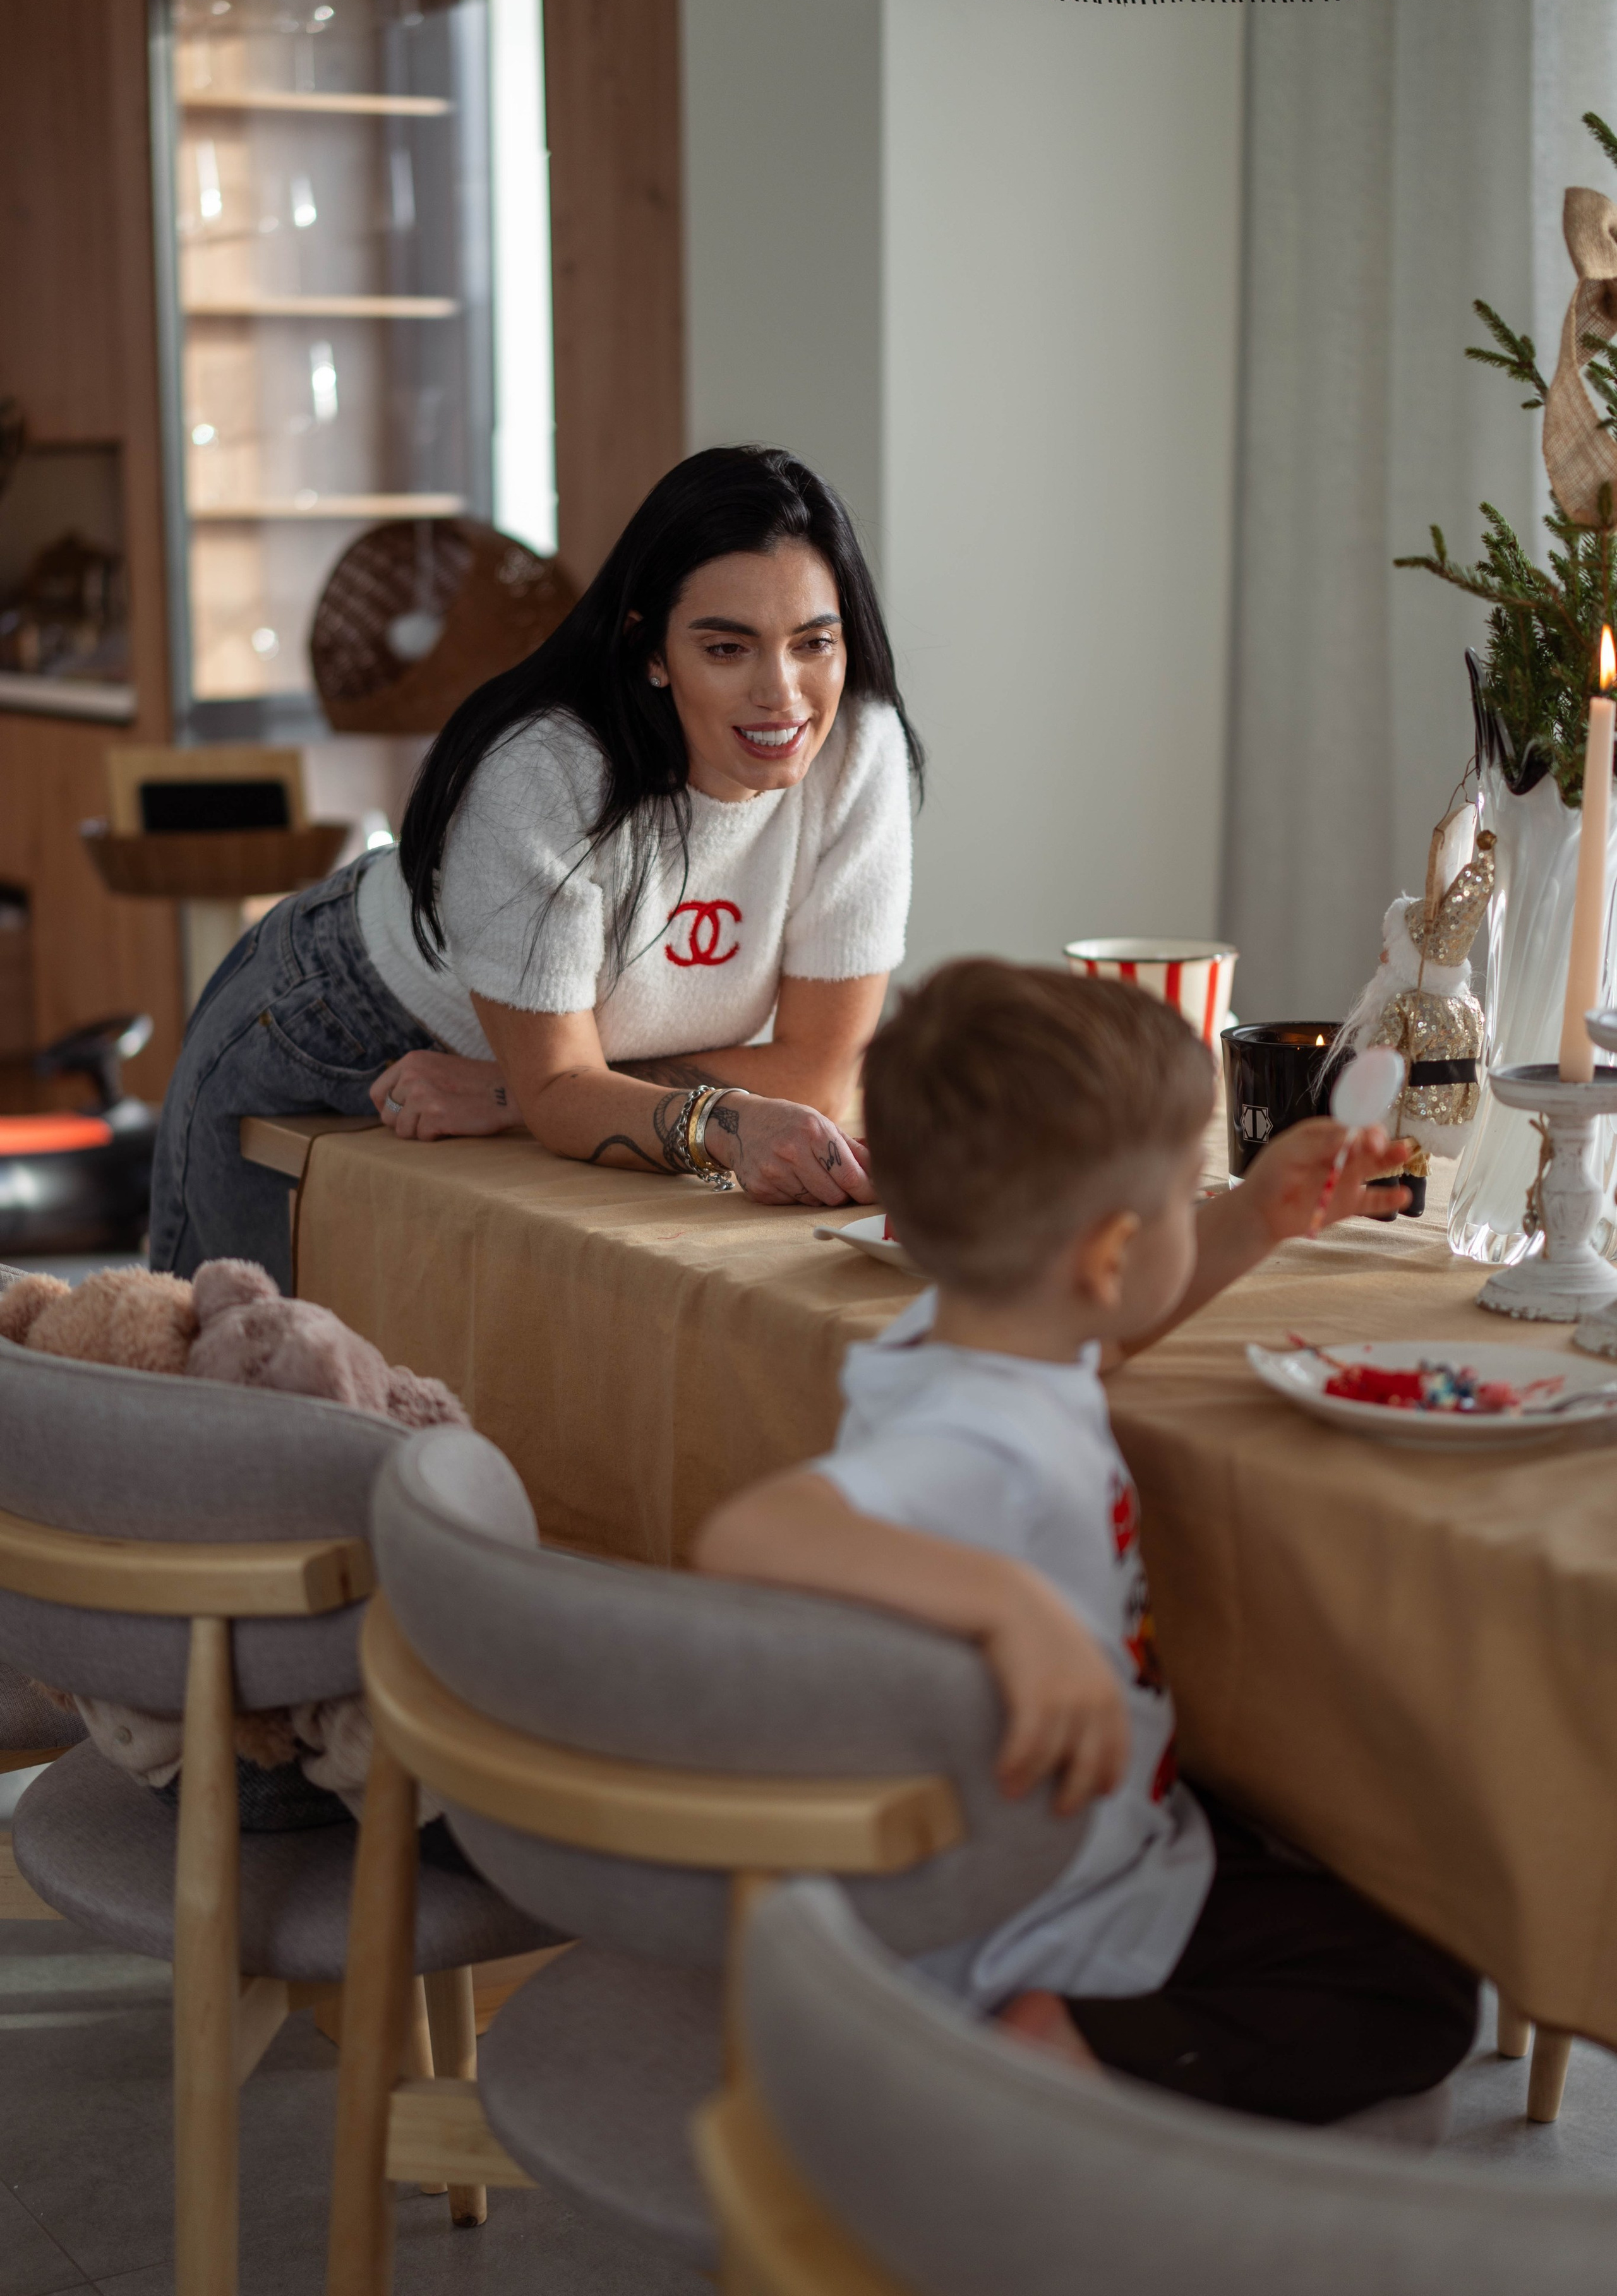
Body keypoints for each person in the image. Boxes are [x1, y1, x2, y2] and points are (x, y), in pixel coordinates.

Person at [694, 962, 1479, 2126]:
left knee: (1352, 1861)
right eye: (1182, 1194)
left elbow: (1098, 1337)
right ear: (1107, 1254)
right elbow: (749, 1534)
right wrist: (1009, 1606)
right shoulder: (979, 1438)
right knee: (1419, 2001)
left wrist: (1252, 1213)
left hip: (1097, 1838)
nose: (1192, 1211)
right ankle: (1060, 2051)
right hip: (1046, 1909)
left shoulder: (978, 1342)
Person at [150, 447, 919, 1289]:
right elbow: (560, 1086)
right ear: (651, 650)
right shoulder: (543, 771)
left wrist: (506, 1093)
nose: (784, 694)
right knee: (227, 1353)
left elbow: (818, 1069)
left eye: (814, 642)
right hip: (334, 1034)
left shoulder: (859, 748)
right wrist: (648, 1108)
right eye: (729, 649)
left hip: (538, 1078)